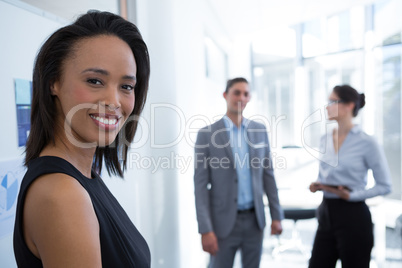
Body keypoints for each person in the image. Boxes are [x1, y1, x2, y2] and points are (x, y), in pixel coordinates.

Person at [13, 11, 151, 267]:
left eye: (127, 86)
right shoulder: (62, 194)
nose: (113, 101)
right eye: (95, 81)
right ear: (53, 82)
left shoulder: (82, 177)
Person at [194, 77, 283, 268]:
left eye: (246, 93)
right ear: (225, 95)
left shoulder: (260, 130)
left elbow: (268, 175)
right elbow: (200, 186)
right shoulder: (207, 134)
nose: (241, 97)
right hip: (222, 223)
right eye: (236, 92)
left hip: (255, 221)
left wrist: (277, 215)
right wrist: (205, 229)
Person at [309, 84, 392, 268]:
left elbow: (385, 185)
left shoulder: (367, 142)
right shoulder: (325, 139)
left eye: (332, 101)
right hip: (326, 212)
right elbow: (326, 175)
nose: (327, 106)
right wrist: (319, 184)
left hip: (353, 215)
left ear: (349, 105)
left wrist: (352, 195)